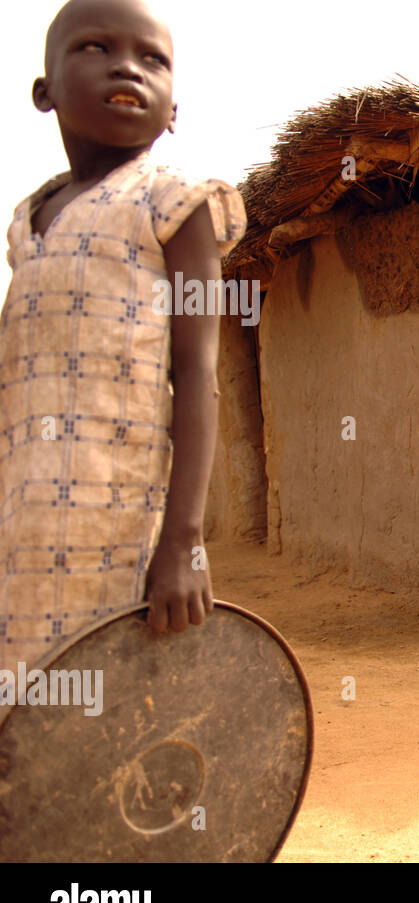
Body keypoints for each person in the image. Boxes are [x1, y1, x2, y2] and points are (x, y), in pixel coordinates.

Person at [0, 0, 246, 671]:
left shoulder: (174, 205)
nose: (127, 69)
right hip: (21, 518)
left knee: (108, 701)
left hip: (118, 522)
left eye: (152, 60)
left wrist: (184, 541)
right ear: (42, 92)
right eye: (96, 48)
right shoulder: (28, 224)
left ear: (173, 111)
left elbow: (197, 374)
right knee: (25, 714)